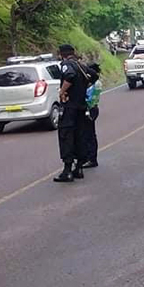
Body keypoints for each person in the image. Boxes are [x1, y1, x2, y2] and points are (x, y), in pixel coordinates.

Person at [54, 44, 98, 183]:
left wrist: (62, 91)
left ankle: (67, 171)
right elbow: (94, 75)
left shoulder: (67, 64)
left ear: (62, 54)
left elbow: (69, 75)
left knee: (66, 136)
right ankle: (78, 168)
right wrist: (83, 88)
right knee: (80, 136)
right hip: (81, 107)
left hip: (70, 107)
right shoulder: (80, 65)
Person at [82, 62, 103, 168]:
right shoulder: (95, 83)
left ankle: (92, 159)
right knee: (87, 134)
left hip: (90, 109)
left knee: (89, 135)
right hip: (92, 109)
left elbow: (89, 99)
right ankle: (88, 157)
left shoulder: (95, 84)